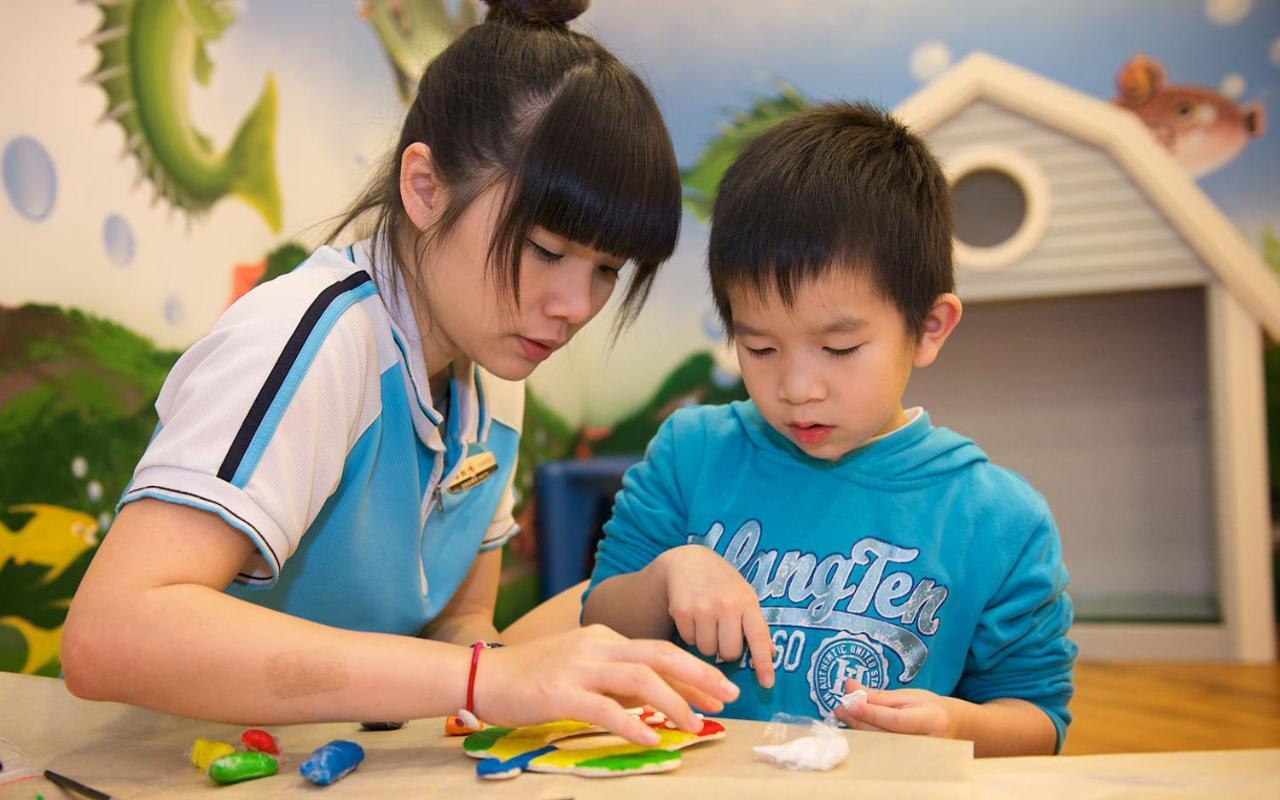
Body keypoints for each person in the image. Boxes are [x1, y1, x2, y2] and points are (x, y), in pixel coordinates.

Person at [62, 0, 737, 746]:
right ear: (425, 188)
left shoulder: (494, 372)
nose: (576, 306)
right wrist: (484, 678)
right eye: (547, 250)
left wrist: (579, 651)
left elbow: (457, 625)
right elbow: (108, 636)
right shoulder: (312, 342)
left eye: (607, 269)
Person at [581, 103, 1077, 756]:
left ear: (929, 328)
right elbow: (599, 626)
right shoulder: (690, 454)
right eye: (759, 349)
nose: (796, 388)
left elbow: (1039, 720)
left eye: (839, 350)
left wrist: (957, 726)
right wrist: (667, 575)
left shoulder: (999, 520)